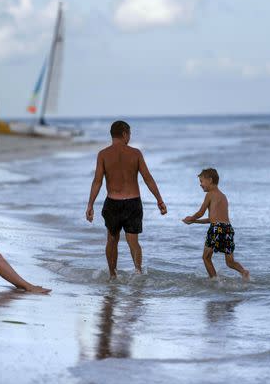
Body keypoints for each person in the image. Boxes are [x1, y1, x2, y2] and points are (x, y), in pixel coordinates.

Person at [86, 120, 167, 278]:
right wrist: (159, 200)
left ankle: (112, 275)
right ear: (124, 134)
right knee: (133, 242)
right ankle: (138, 273)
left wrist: (90, 205)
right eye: (129, 134)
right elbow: (148, 178)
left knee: (112, 240)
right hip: (133, 202)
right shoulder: (135, 153)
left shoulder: (103, 154)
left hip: (112, 203)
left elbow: (97, 181)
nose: (129, 137)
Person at [182, 168, 250, 280]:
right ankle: (244, 272)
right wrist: (194, 221)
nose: (200, 185)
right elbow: (213, 219)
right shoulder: (223, 197)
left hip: (216, 228)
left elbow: (201, 213)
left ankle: (214, 280)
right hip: (227, 229)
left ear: (210, 180)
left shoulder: (209, 194)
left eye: (201, 181)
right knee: (230, 262)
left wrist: (191, 217)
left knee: (206, 257)